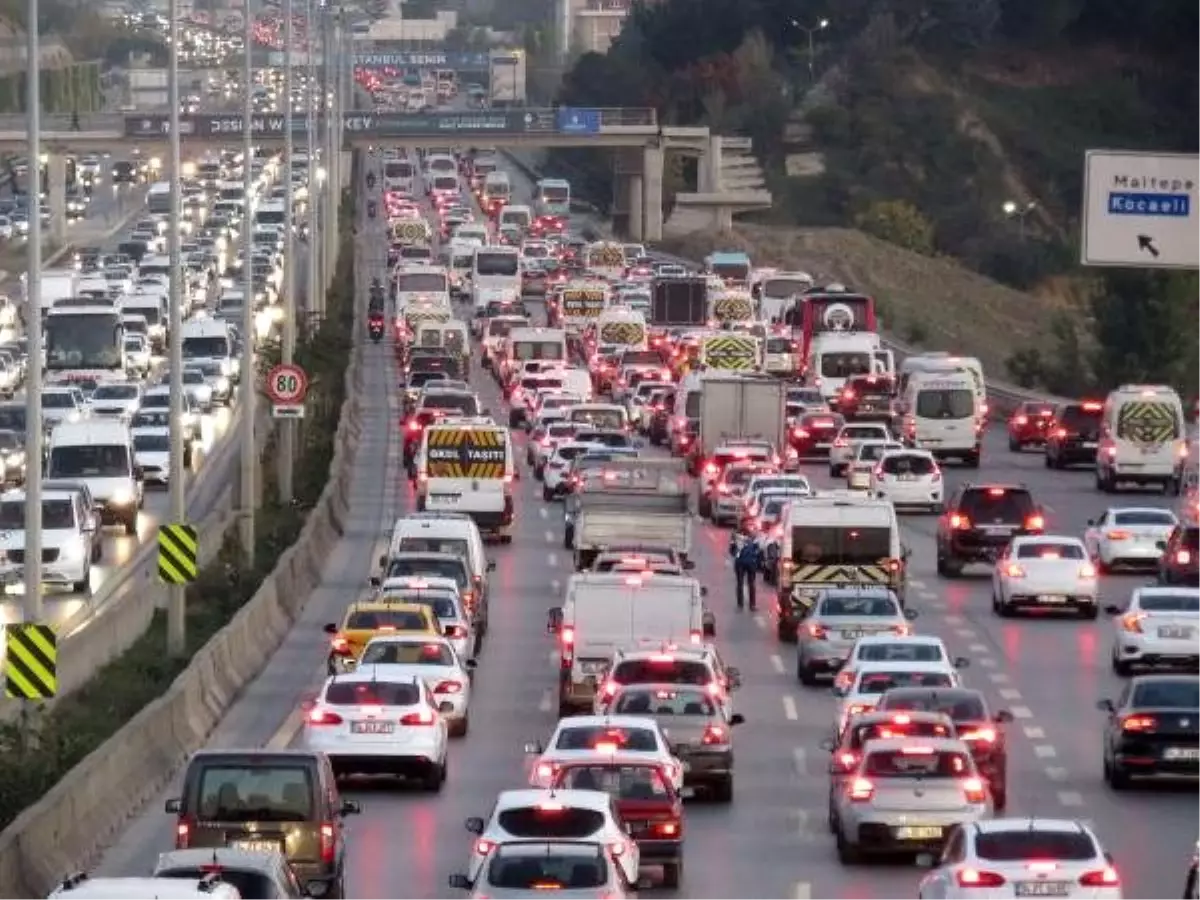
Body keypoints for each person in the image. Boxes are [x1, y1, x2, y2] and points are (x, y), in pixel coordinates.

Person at [728, 524, 762, 611]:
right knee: (751, 584)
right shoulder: (753, 538)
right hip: (751, 564)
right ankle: (752, 605)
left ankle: (740, 605)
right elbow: (758, 550)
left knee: (740, 584)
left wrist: (737, 554)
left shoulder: (736, 538)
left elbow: (731, 551)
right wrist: (755, 560)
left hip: (740, 564)